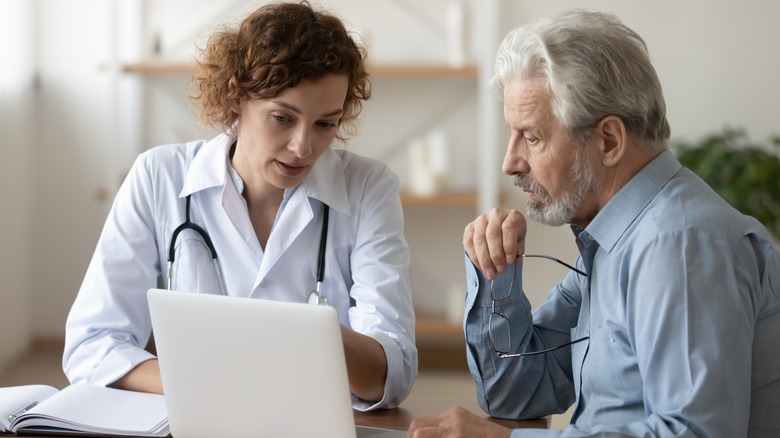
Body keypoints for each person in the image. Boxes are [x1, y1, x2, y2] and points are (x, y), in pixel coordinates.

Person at [407, 8, 780, 438]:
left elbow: (695, 434)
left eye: (531, 137)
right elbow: (519, 392)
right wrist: (497, 273)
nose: (510, 163)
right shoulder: (613, 239)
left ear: (608, 141)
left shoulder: (678, 244)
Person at [62, 1, 417, 411]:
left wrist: (305, 334)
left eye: (325, 124)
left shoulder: (368, 188)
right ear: (236, 99)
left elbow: (393, 373)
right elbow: (92, 345)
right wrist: (209, 385)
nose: (304, 147)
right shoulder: (158, 176)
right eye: (283, 118)